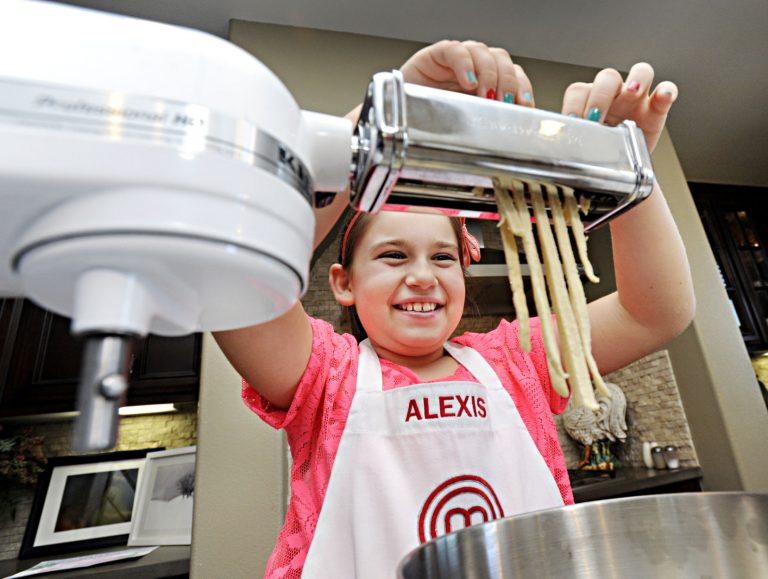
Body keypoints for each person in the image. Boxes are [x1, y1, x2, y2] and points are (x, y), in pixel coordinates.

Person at [213, 40, 695, 579]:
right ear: (344, 283)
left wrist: (630, 175)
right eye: (393, 255)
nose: (423, 274)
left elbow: (654, 313)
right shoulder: (326, 377)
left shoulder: (516, 363)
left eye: (443, 256)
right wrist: (391, 117)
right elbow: (237, 282)